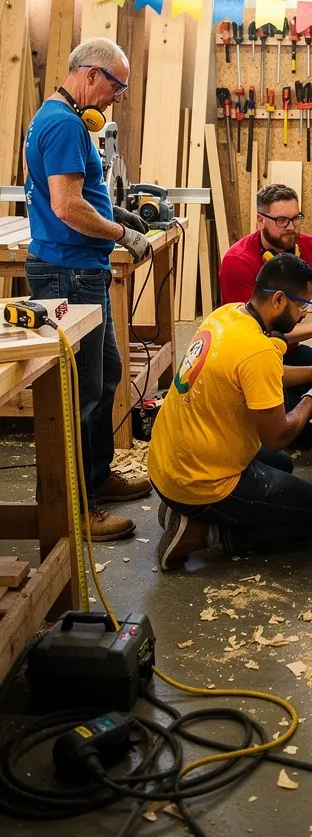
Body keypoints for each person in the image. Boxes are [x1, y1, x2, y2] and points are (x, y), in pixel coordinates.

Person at [149, 253, 312, 571]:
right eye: (302, 305)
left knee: (282, 464)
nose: (304, 314)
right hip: (200, 481)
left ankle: (185, 509)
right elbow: (278, 436)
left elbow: (256, 373)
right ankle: (205, 531)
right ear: (278, 299)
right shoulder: (257, 350)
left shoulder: (228, 316)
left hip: (168, 463)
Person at [24, 37, 153, 542]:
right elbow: (66, 207)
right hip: (67, 272)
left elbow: (81, 196)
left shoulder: (61, 118)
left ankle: (98, 474)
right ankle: (79, 506)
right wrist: (123, 233)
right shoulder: (63, 124)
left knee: (107, 377)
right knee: (80, 392)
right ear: (91, 74)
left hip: (80, 268)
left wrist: (114, 211)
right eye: (116, 86)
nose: (115, 97)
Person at [219, 182, 312, 448]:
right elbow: (258, 335)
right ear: (260, 220)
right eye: (281, 220)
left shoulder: (309, 247)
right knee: (295, 439)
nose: (291, 226)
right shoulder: (238, 261)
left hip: (288, 350)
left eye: (296, 218)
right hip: (253, 361)